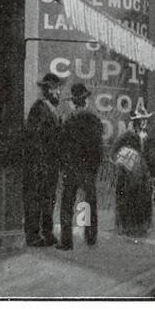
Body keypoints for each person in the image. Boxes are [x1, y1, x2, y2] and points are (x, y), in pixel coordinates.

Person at [58, 82, 104, 250]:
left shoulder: (69, 120)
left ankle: (66, 241)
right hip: (88, 169)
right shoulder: (94, 119)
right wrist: (94, 167)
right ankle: (91, 237)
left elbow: (62, 146)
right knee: (90, 203)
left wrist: (65, 166)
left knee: (67, 205)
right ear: (85, 101)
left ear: (74, 102)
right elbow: (99, 147)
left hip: (71, 169)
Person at [23, 72, 65, 247]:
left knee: (49, 199)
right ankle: (33, 236)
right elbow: (34, 138)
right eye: (55, 89)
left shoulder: (53, 110)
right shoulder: (39, 109)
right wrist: (40, 162)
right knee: (36, 199)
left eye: (58, 89)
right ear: (48, 90)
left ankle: (47, 233)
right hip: (39, 164)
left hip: (51, 164)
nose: (58, 93)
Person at [113, 109, 155, 237]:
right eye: (141, 120)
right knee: (127, 200)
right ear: (136, 122)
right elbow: (114, 151)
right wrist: (123, 161)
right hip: (128, 174)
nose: (143, 122)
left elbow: (153, 158)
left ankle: (141, 228)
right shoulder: (127, 136)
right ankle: (126, 228)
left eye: (145, 119)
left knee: (144, 200)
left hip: (144, 174)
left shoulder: (148, 137)